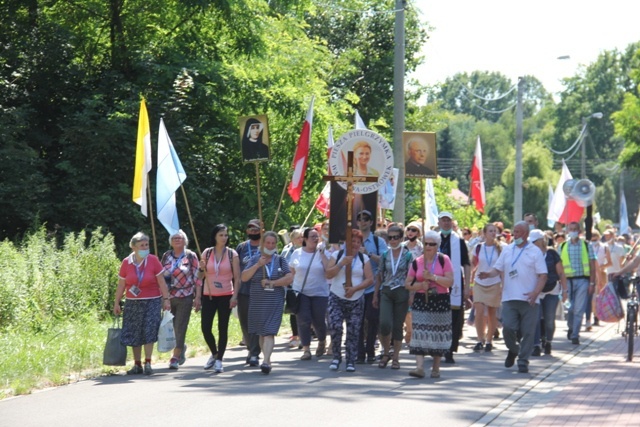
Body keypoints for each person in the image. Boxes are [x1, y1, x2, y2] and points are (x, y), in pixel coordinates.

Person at [478, 222, 547, 373]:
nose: (515, 235)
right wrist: (487, 274)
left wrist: (535, 292)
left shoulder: (535, 252)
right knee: (508, 327)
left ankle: (523, 360)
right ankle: (514, 349)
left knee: (528, 332)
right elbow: (497, 269)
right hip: (509, 297)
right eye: (514, 231)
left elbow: (543, 275)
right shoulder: (507, 250)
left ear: (526, 234)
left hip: (529, 299)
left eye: (518, 232)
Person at [113, 232, 171, 375]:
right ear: (133, 247)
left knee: (149, 330)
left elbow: (161, 282)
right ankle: (137, 364)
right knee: (134, 332)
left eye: (146, 245)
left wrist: (166, 299)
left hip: (152, 301)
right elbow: (121, 285)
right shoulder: (126, 262)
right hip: (133, 302)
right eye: (141, 245)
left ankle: (148, 363)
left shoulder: (153, 260)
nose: (145, 248)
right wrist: (116, 303)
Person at [241, 231, 293, 374]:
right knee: (261, 332)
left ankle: (265, 361)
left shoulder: (281, 260)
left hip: (274, 300)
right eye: (268, 243)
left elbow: (289, 278)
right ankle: (266, 358)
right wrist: (257, 265)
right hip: (258, 300)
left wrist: (273, 282)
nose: (270, 245)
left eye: (273, 243)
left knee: (269, 331)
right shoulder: (255, 259)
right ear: (263, 244)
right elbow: (244, 277)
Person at [404, 230, 454, 379]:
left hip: (440, 300)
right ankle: (419, 367)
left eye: (432, 244)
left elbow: (450, 281)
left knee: (437, 333)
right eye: (426, 243)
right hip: (421, 300)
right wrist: (420, 285)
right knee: (419, 331)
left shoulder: (444, 260)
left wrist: (433, 277)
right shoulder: (417, 262)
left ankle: (436, 368)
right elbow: (407, 283)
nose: (428, 247)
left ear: (437, 245)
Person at [325, 229, 374, 372]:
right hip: (336, 296)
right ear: (347, 242)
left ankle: (351, 360)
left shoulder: (363, 259)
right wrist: (341, 264)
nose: (355, 244)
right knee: (335, 326)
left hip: (356, 298)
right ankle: (336, 356)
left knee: (353, 330)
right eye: (353, 241)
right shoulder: (337, 255)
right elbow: (328, 273)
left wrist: (355, 288)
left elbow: (370, 279)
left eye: (358, 242)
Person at [197, 224, 240, 373]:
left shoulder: (231, 254)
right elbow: (199, 277)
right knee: (205, 327)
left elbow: (237, 278)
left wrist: (235, 296)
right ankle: (214, 353)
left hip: (226, 295)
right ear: (215, 236)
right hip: (208, 295)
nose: (224, 238)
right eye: (221, 235)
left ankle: (220, 360)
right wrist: (200, 268)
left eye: (226, 235)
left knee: (223, 328)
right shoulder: (207, 253)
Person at [160, 230, 201, 370]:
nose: (177, 239)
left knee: (180, 327)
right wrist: (163, 297)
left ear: (185, 240)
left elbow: (197, 278)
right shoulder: (166, 255)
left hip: (186, 295)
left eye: (180, 237)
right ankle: (181, 346)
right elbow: (160, 277)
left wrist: (198, 297)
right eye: (174, 238)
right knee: (170, 326)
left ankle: (175, 357)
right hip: (168, 297)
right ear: (171, 241)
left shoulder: (190, 256)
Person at [374, 225, 412, 369]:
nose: (393, 240)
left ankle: (395, 356)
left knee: (397, 325)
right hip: (387, 290)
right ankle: (385, 352)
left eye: (396, 237)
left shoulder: (407, 255)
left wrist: (411, 294)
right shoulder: (385, 254)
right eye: (390, 237)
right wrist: (376, 294)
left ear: (401, 238)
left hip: (402, 290)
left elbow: (411, 276)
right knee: (384, 323)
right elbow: (379, 275)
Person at [289, 228, 330, 360]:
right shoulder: (297, 253)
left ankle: (322, 341)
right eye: (312, 236)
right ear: (305, 239)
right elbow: (291, 272)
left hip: (320, 292)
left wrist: (323, 254)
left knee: (319, 321)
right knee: (303, 320)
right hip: (301, 293)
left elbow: (328, 270)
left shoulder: (322, 252)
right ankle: (306, 349)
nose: (315, 239)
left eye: (317, 237)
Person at [437, 211, 471, 364]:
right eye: (443, 220)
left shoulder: (459, 241)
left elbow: (466, 264)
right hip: (436, 283)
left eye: (448, 221)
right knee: (437, 317)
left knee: (453, 318)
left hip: (455, 284)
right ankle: (437, 347)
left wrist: (467, 286)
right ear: (439, 222)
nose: (446, 223)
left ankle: (450, 349)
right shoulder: (433, 239)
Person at [529, 229, 568, 356]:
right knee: (535, 318)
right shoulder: (529, 254)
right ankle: (536, 345)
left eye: (534, 242)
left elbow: (561, 273)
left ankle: (548, 341)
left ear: (540, 241)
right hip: (536, 291)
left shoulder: (552, 254)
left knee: (549, 320)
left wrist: (565, 290)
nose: (532, 244)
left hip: (552, 290)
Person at [356, 209, 388, 363]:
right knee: (358, 320)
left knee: (372, 318)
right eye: (360, 219)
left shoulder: (378, 241)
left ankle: (370, 349)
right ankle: (359, 352)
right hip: (356, 287)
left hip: (373, 287)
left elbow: (385, 261)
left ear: (370, 222)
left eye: (366, 219)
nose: (363, 222)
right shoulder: (352, 239)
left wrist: (368, 254)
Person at [559, 221, 597, 345]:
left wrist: (592, 283)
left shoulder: (586, 246)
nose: (573, 231)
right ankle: (571, 328)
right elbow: (558, 266)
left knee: (579, 309)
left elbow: (592, 264)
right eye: (571, 229)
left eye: (575, 229)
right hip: (567, 282)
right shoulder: (563, 246)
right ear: (567, 231)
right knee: (569, 309)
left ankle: (575, 335)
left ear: (579, 231)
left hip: (583, 280)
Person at [470, 223, 502, 353]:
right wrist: (471, 276)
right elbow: (473, 263)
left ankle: (489, 340)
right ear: (484, 233)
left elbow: (502, 267)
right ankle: (479, 339)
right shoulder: (478, 247)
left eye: (495, 231)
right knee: (479, 310)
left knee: (491, 313)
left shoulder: (500, 248)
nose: (493, 233)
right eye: (490, 231)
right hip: (479, 282)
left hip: (494, 283)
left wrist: (503, 286)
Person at [236, 219, 263, 366]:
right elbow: (236, 268)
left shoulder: (266, 246)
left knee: (256, 322)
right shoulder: (242, 247)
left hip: (260, 290)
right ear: (247, 231)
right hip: (244, 290)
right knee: (245, 322)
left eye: (256, 229)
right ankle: (251, 348)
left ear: (261, 230)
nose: (253, 232)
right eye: (251, 229)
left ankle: (254, 352)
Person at [281, 228, 303, 349]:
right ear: (293, 240)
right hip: (292, 285)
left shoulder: (307, 250)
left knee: (303, 311)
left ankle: (305, 335)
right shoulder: (287, 250)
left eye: (302, 237)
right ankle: (295, 336)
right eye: (298, 237)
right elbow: (283, 264)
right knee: (294, 312)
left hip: (304, 285)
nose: (301, 240)